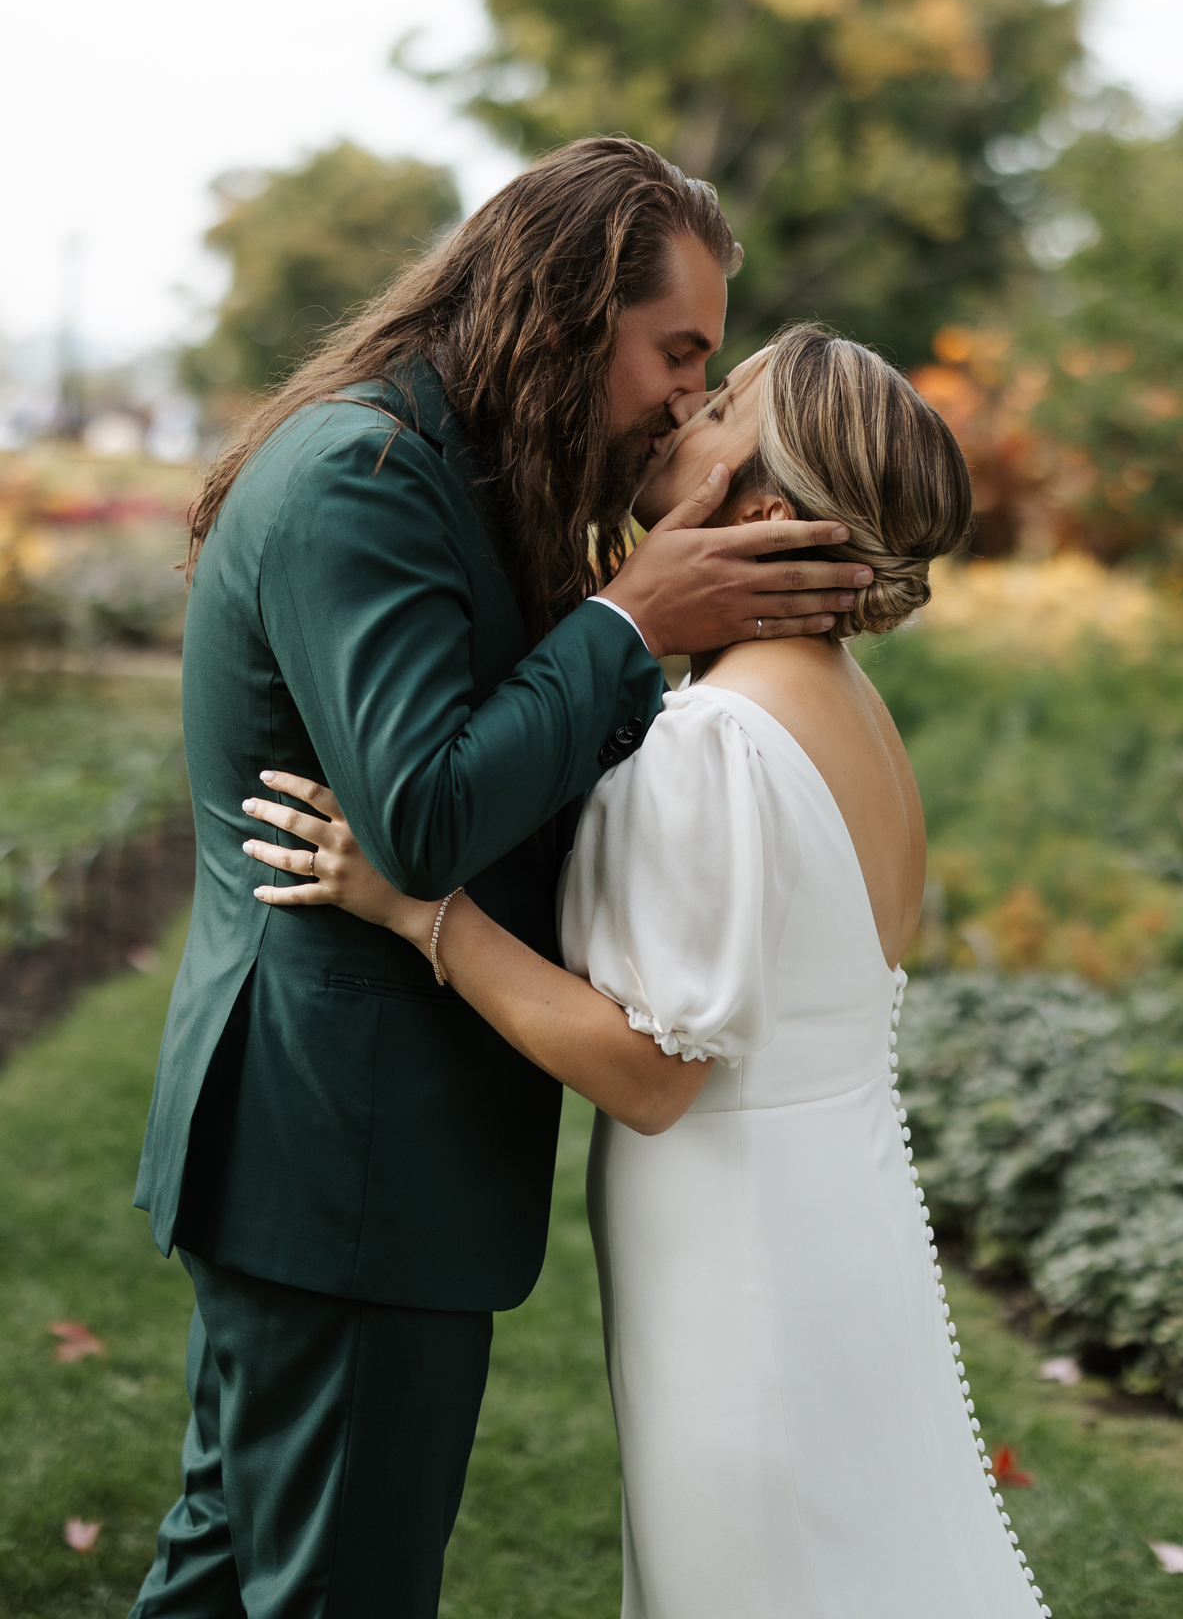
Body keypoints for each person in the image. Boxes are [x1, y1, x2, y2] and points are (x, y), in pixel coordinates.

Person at [129, 140, 871, 1619]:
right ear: (568, 309)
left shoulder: (459, 467)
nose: (683, 393)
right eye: (677, 352)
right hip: (343, 1153)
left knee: (229, 1573)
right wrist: (625, 614)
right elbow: (418, 818)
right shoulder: (367, 475)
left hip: (338, 1153)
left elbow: (544, 758)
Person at [243, 324, 1054, 1619]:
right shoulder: (851, 709)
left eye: (723, 402)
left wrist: (419, 910)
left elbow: (652, 1072)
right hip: (834, 1212)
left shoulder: (721, 737)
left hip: (748, 1257)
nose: (685, 411)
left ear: (769, 504)